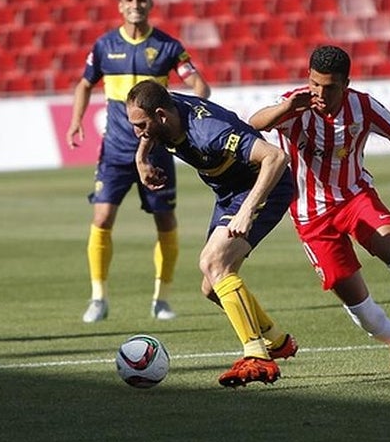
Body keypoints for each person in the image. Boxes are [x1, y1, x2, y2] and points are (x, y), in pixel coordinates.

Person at [249, 45, 390, 371]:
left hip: (355, 198)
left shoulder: (362, 107)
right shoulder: (293, 104)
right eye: (314, 83)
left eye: (329, 87)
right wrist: (286, 108)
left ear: (346, 84)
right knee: (361, 311)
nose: (319, 93)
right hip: (312, 217)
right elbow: (254, 123)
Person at [125, 80, 297, 387]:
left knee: (214, 263)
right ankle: (276, 340)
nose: (138, 132)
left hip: (261, 187)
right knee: (211, 287)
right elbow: (149, 124)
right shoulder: (163, 113)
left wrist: (247, 210)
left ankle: (257, 356)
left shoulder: (209, 131)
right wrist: (141, 159)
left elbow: (276, 158)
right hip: (229, 192)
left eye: (141, 125)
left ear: (161, 115)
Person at [67, 0, 211, 323]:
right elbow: (84, 85)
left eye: (141, 0)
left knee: (165, 220)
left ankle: (162, 299)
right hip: (116, 151)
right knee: (102, 218)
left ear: (151, 4)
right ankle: (98, 298)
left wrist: (186, 114)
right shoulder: (104, 46)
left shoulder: (167, 47)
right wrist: (76, 121)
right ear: (120, 6)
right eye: (129, 0)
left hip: (156, 150)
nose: (136, 5)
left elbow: (199, 85)